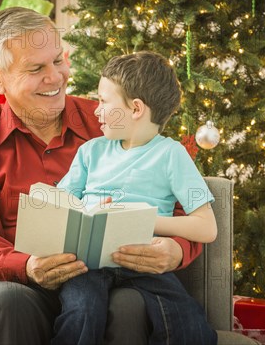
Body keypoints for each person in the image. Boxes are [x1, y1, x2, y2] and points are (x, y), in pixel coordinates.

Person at [0, 7, 204, 345]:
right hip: (15, 285)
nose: (56, 77)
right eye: (36, 68)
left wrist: (176, 248)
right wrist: (28, 266)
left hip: (109, 281)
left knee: (129, 305)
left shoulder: (109, 120)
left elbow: (186, 203)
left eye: (58, 60)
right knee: (9, 301)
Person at [52, 51, 218, 345]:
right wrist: (86, 211)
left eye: (104, 101)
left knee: (190, 323)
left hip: (143, 263)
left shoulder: (172, 155)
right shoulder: (91, 152)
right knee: (82, 311)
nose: (96, 110)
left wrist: (146, 220)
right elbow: (61, 204)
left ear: (136, 108)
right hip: (88, 264)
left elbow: (206, 227)